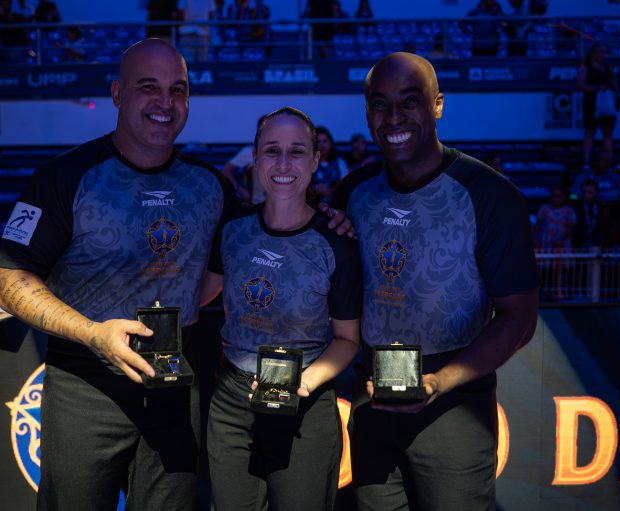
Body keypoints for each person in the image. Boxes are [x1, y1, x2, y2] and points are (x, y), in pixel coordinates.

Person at [0, 39, 240, 511]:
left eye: (178, 89)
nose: (165, 102)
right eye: (149, 87)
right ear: (118, 93)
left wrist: (330, 219)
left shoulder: (211, 186)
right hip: (85, 383)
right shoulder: (64, 177)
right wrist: (94, 332)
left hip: (173, 383)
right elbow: (7, 281)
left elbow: (225, 270)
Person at [331, 52, 539, 510]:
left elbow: (520, 319)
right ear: (367, 112)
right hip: (372, 399)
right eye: (380, 105)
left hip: (455, 407)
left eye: (410, 101)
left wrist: (442, 380)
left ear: (438, 104)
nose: (393, 117)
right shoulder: (352, 193)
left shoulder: (489, 195)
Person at [204, 107, 362, 510]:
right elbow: (197, 295)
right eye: (272, 150)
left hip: (305, 408)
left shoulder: (336, 242)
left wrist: (304, 382)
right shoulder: (232, 231)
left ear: (316, 159)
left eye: (297, 151)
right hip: (232, 405)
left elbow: (347, 339)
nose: (283, 163)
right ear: (256, 157)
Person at [576, 44, 620, 166]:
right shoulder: (585, 68)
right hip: (592, 104)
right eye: (600, 52)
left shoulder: (607, 68)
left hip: (608, 105)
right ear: (593, 54)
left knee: (608, 133)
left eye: (603, 52)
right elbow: (579, 85)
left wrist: (617, 96)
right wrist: (596, 88)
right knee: (590, 132)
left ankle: (609, 160)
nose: (603, 55)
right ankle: (586, 161)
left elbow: (614, 84)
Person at [311, 126, 348, 203]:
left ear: (331, 144)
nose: (322, 145)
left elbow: (345, 187)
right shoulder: (308, 164)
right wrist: (315, 189)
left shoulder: (340, 163)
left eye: (325, 141)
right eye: (318, 142)